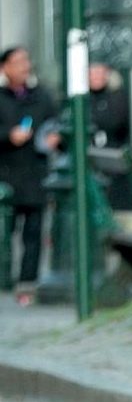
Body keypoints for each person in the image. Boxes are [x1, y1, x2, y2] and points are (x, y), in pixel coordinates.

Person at [0, 46, 60, 306]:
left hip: (35, 175)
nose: (24, 66)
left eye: (26, 60)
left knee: (33, 232)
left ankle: (27, 283)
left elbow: (56, 123)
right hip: (6, 175)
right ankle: (4, 280)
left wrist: (53, 137)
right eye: (17, 61)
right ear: (5, 68)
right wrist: (8, 136)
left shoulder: (42, 96)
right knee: (5, 232)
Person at [88, 61, 132, 211]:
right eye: (92, 72)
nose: (96, 77)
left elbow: (115, 122)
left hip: (114, 161)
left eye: (100, 72)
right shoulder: (84, 99)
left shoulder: (117, 97)